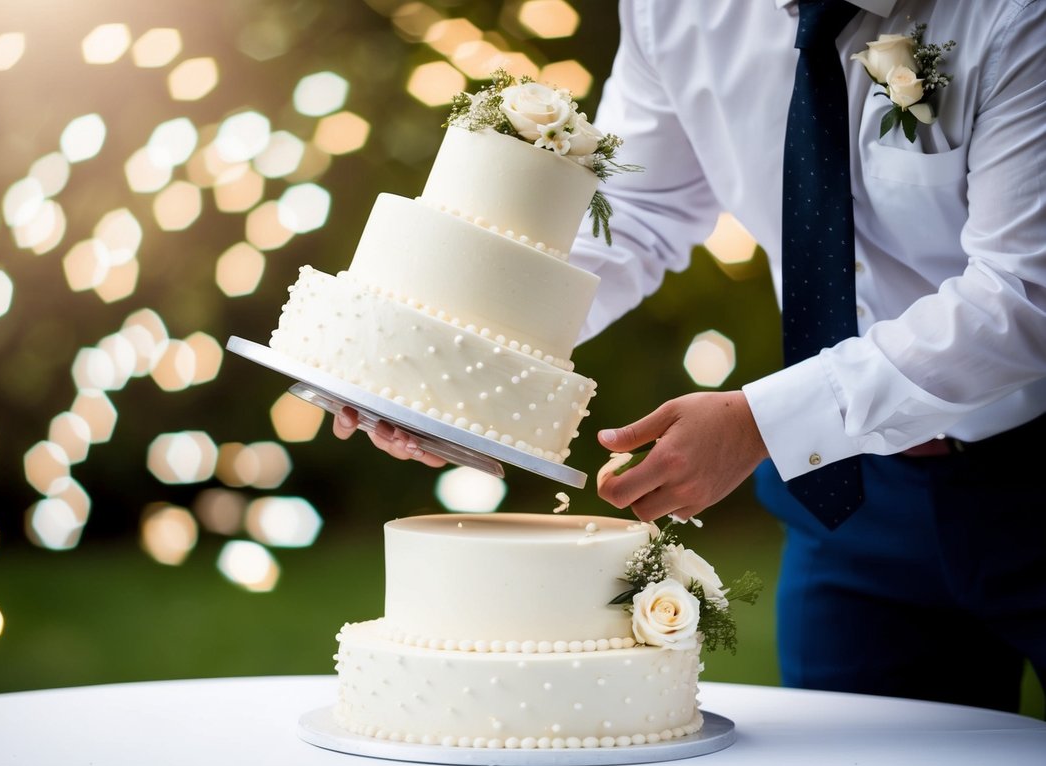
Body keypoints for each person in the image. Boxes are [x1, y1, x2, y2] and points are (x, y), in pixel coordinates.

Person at [336, 0, 1046, 715]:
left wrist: (761, 425)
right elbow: (636, 214)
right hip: (847, 499)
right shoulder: (672, 9)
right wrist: (439, 362)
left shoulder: (1015, 16)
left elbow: (1023, 296)